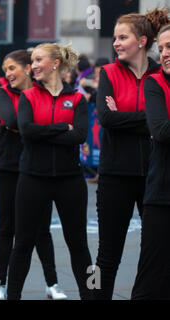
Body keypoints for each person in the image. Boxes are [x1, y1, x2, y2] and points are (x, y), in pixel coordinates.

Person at [7, 43, 93, 300]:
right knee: (22, 244)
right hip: (33, 178)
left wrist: (47, 131)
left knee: (79, 245)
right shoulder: (28, 97)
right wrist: (60, 127)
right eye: (31, 61)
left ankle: (91, 296)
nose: (32, 66)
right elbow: (27, 132)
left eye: (38, 60)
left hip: (70, 180)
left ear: (55, 63)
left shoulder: (77, 98)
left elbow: (79, 136)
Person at [94, 8, 169, 300]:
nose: (115, 43)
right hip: (114, 175)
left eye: (122, 37)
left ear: (141, 40)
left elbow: (160, 126)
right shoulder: (108, 73)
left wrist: (131, 117)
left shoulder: (159, 75)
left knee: (153, 254)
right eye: (114, 37)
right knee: (107, 257)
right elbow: (106, 119)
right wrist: (150, 119)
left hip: (153, 178)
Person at [0, 50, 67, 300]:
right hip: (10, 167)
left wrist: (33, 128)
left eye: (12, 68)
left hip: (37, 167)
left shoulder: (44, 91)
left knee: (41, 228)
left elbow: (31, 124)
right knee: (7, 226)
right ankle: (0, 283)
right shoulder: (4, 93)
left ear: (26, 68)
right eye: (5, 69)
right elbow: (13, 120)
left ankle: (52, 283)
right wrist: (35, 126)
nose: (7, 74)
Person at [131, 24, 170, 300]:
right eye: (163, 48)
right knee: (151, 279)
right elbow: (161, 131)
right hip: (162, 195)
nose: (165, 53)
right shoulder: (155, 84)